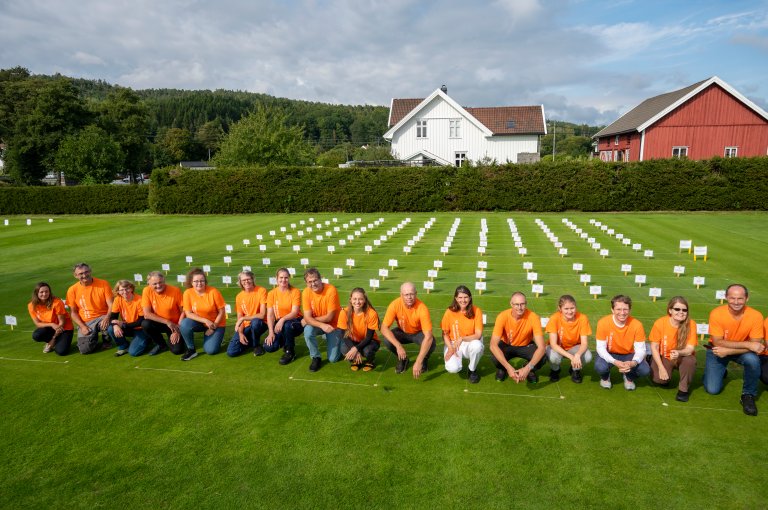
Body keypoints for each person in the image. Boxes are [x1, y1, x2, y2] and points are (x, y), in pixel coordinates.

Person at [703, 284, 764, 416]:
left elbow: (757, 345)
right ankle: (717, 372)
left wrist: (729, 351)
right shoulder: (717, 313)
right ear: (726, 297)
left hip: (739, 352)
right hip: (718, 350)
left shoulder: (756, 316)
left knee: (753, 360)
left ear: (747, 298)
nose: (736, 302)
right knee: (712, 389)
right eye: (732, 298)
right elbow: (718, 342)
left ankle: (748, 395)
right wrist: (748, 345)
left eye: (740, 298)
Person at [380, 281, 434, 379]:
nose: (409, 297)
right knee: (387, 340)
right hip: (402, 332)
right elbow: (383, 328)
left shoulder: (422, 308)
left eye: (412, 294)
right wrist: (398, 346)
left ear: (416, 294)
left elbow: (428, 337)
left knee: (431, 342)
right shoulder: (395, 304)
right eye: (406, 294)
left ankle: (424, 359)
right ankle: (403, 359)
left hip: (418, 333)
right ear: (401, 295)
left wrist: (418, 361)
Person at [595, 295, 650, 391]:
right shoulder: (603, 323)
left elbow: (641, 349)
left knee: (644, 370)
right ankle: (605, 377)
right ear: (612, 310)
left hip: (629, 354)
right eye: (618, 309)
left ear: (630, 310)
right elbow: (600, 348)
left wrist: (633, 362)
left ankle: (629, 378)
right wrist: (614, 361)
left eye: (625, 309)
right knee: (600, 367)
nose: (622, 313)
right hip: (610, 352)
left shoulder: (637, 325)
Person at [648, 296, 697, 402]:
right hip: (665, 356)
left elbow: (690, 348)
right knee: (660, 380)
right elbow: (654, 346)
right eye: (677, 309)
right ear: (670, 310)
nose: (681, 312)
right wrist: (661, 367)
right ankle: (651, 360)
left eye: (684, 310)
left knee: (690, 361)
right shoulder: (660, 323)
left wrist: (679, 352)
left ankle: (683, 390)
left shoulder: (691, 324)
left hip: (683, 356)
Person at [490, 292, 546, 383]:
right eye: (516, 304)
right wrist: (509, 368)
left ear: (526, 303)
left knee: (542, 357)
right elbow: (493, 345)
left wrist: (527, 368)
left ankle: (529, 370)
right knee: (495, 357)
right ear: (511, 304)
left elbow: (542, 347)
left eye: (522, 304)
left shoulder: (534, 317)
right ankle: (503, 368)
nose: (520, 307)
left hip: (526, 345)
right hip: (506, 345)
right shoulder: (502, 316)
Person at [180, 268, 226, 361]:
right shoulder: (187, 293)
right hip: (200, 322)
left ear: (205, 281)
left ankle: (218, 337)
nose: (199, 283)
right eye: (196, 281)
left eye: (202, 281)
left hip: (216, 323)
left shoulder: (213, 292)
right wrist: (205, 320)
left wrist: (213, 327)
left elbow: (222, 312)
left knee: (211, 350)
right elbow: (188, 313)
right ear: (191, 282)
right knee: (184, 324)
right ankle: (191, 349)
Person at [66, 263, 113, 354]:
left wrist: (107, 318)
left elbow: (111, 305)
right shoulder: (72, 290)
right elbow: (73, 313)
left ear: (90, 271)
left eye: (86, 272)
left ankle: (106, 340)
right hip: (86, 322)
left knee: (109, 325)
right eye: (80, 274)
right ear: (75, 276)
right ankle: (92, 338)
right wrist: (82, 326)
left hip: (102, 317)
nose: (84, 275)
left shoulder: (103, 283)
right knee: (85, 350)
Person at [301, 268, 342, 372]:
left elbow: (329, 317)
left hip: (334, 324)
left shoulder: (331, 290)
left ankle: (342, 340)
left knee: (333, 359)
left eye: (315, 280)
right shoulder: (306, 293)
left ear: (320, 279)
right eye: (310, 282)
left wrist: (309, 320)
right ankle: (316, 357)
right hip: (320, 325)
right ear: (306, 283)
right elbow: (306, 317)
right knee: (307, 331)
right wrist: (320, 325)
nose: (313, 284)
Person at [441, 285, 484, 383]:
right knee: (453, 369)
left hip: (470, 342)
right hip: (453, 344)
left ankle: (472, 369)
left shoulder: (477, 311)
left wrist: (461, 339)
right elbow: (445, 333)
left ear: (470, 298)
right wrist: (451, 348)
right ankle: (457, 361)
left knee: (477, 346)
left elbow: (478, 335)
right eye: (460, 297)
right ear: (456, 298)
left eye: (465, 297)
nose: (463, 300)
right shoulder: (449, 311)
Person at [546, 294, 592, 383]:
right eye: (566, 309)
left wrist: (577, 355)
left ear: (576, 307)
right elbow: (553, 344)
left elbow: (584, 343)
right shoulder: (554, 318)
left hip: (574, 347)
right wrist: (571, 357)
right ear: (560, 308)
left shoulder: (582, 318)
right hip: (557, 347)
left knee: (588, 356)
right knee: (553, 357)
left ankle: (575, 369)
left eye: (572, 308)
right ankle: (555, 370)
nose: (570, 311)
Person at [141, 271, 186, 356]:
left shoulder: (175, 290)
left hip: (175, 325)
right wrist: (167, 322)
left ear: (164, 280)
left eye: (160, 282)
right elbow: (147, 314)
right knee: (145, 323)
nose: (158, 286)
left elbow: (183, 311)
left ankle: (179, 337)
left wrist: (177, 330)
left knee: (177, 350)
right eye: (154, 284)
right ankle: (161, 344)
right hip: (162, 323)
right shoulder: (146, 291)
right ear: (149, 284)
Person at [265, 267, 303, 365]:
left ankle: (290, 351)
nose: (283, 280)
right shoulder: (271, 293)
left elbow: (294, 312)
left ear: (289, 278)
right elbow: (270, 315)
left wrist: (282, 320)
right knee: (269, 347)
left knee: (287, 325)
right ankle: (284, 340)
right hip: (280, 323)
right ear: (276, 278)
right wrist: (270, 332)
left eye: (286, 277)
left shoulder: (295, 291)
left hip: (295, 321)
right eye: (281, 277)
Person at [226, 271, 268, 357]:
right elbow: (239, 317)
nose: (246, 282)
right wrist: (241, 333)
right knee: (232, 352)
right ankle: (249, 340)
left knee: (255, 322)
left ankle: (256, 345)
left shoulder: (261, 291)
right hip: (246, 326)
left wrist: (243, 319)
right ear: (240, 282)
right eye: (243, 280)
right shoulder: (239, 296)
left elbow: (262, 315)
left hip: (260, 323)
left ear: (252, 279)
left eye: (248, 279)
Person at [337, 288, 380, 371]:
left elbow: (368, 337)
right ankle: (356, 360)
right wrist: (354, 349)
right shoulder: (344, 312)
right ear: (350, 300)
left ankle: (370, 361)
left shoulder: (371, 313)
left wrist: (355, 349)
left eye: (360, 299)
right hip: (353, 341)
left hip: (370, 341)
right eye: (355, 299)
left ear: (364, 300)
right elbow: (344, 335)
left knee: (367, 351)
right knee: (344, 349)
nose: (357, 302)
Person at [27, 282, 73, 356]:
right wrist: (51, 324)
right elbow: (37, 324)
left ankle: (56, 341)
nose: (44, 294)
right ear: (36, 293)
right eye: (41, 292)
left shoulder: (57, 302)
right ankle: (53, 341)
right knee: (36, 335)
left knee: (61, 352)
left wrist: (53, 338)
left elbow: (62, 322)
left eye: (46, 291)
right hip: (50, 327)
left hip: (64, 328)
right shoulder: (31, 305)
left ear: (49, 292)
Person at [108, 280, 150, 357]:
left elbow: (141, 321)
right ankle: (123, 346)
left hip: (140, 329)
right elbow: (112, 317)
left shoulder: (140, 300)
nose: (125, 292)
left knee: (134, 353)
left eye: (127, 288)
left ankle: (148, 339)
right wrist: (115, 325)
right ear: (118, 291)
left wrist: (123, 325)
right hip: (128, 327)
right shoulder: (118, 299)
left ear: (131, 288)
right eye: (121, 290)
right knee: (111, 328)